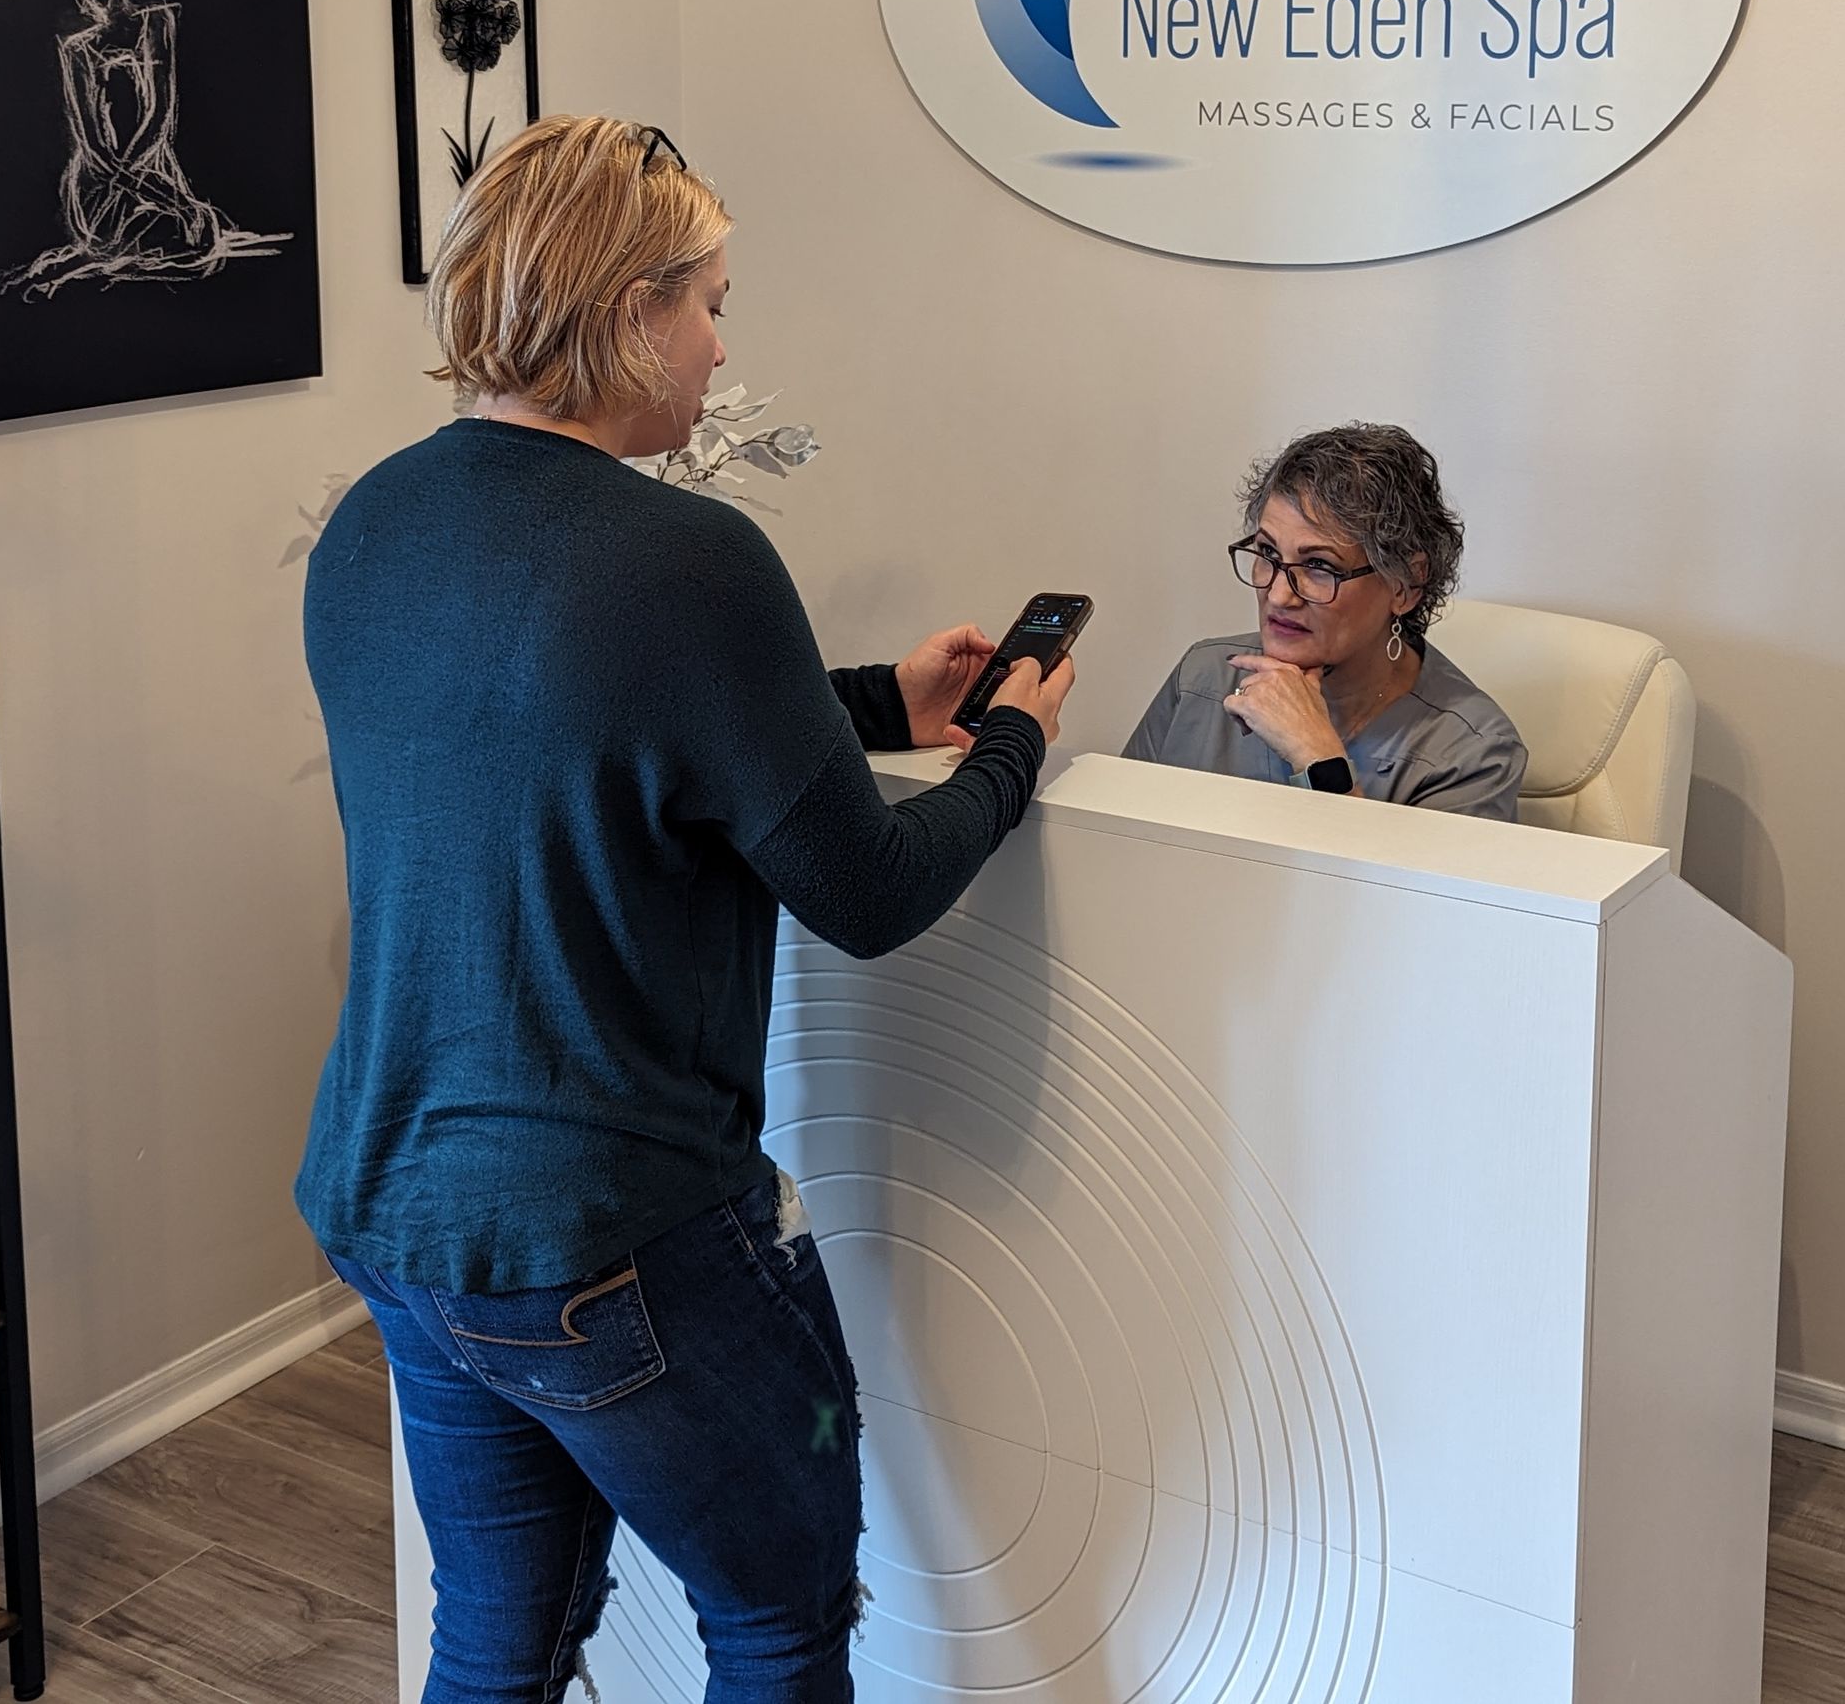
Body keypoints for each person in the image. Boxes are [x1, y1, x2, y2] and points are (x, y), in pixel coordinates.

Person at [294, 113, 1073, 1704]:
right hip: (606, 1231)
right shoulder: (690, 558)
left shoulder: (375, 518)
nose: (723, 347)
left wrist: (862, 700)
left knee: (494, 1640)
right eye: (712, 300)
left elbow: (554, 728)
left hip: (394, 1211)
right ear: (631, 312)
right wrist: (1015, 746)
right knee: (777, 1623)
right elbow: (865, 890)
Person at [1125, 422, 1525, 819]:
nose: (1279, 596)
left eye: (1319, 566)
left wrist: (1318, 757)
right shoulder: (1203, 678)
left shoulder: (1472, 754)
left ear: (1406, 584)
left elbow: (1379, 886)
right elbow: (1109, 845)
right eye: (1267, 552)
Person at [0, 0, 287, 296]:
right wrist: (158, 195)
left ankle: (84, 259)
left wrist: (160, 189)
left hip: (152, 172)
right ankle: (88, 256)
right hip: (100, 185)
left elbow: (160, 116)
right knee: (189, 237)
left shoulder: (156, 24)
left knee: (197, 238)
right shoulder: (77, 49)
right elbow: (93, 145)